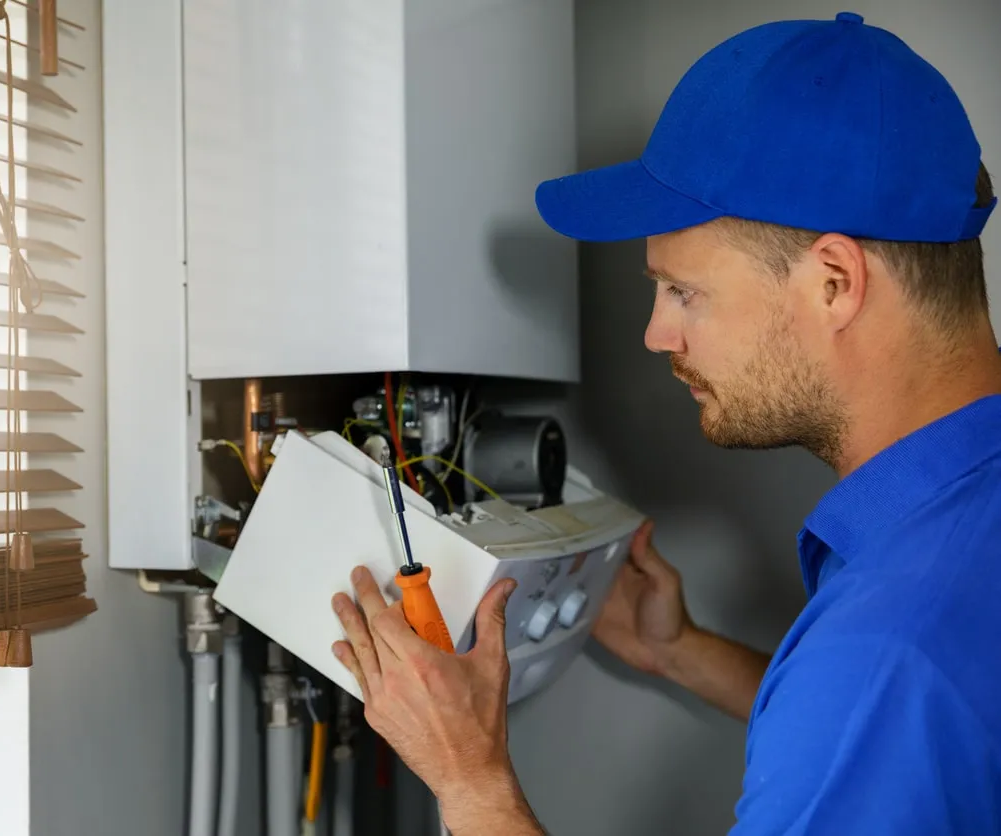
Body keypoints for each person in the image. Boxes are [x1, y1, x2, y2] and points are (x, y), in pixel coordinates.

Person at [330, 11, 1001, 836]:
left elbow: (876, 698)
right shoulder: (954, 541)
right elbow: (920, 747)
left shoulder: (880, 653)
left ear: (834, 282)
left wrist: (472, 781)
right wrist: (679, 649)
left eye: (684, 291)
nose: (657, 333)